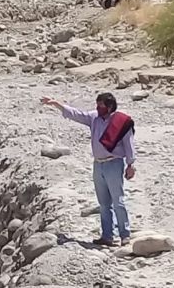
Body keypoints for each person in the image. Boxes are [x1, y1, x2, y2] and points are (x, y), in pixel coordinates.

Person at [41, 92, 135, 246]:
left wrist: (131, 164)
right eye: (97, 105)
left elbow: (129, 143)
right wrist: (57, 104)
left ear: (110, 106)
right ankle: (107, 236)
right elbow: (77, 114)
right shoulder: (94, 118)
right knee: (104, 203)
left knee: (118, 201)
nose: (97, 108)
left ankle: (125, 234)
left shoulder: (121, 122)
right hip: (98, 164)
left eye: (101, 105)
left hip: (114, 164)